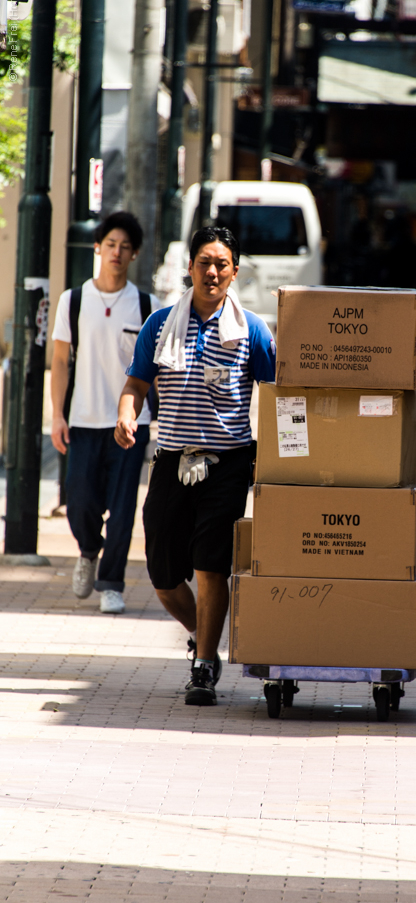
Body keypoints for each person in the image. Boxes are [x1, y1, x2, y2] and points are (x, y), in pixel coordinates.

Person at [114, 226, 276, 706]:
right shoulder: (160, 324)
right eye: (204, 262)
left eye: (221, 264)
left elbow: (279, 395)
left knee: (210, 563)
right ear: (189, 267)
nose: (212, 272)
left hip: (229, 463)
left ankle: (204, 663)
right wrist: (126, 416)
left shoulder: (253, 331)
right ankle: (202, 631)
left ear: (235, 272)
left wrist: (283, 453)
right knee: (163, 574)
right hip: (171, 460)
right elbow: (137, 384)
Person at [50, 212, 160, 614]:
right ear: (98, 247)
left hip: (132, 424)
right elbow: (60, 362)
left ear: (134, 255)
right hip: (83, 419)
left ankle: (111, 582)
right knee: (78, 499)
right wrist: (57, 416)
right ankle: (88, 550)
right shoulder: (73, 300)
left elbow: (158, 373)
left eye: (125, 246)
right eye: (110, 244)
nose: (117, 252)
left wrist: (160, 422)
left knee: (124, 506)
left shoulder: (148, 305)